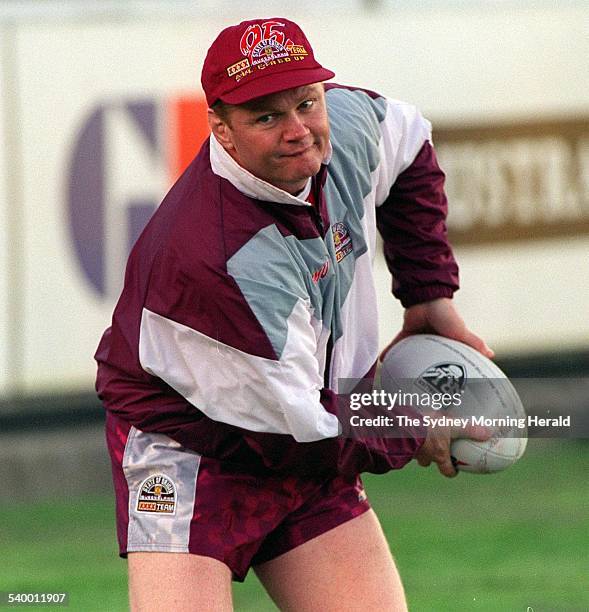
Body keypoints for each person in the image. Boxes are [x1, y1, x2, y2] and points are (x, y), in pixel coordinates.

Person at [95, 17, 493, 611]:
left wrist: (428, 298)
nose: (298, 130)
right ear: (221, 130)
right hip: (186, 450)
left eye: (306, 102)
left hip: (305, 423)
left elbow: (410, 147)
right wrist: (415, 423)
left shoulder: (348, 129)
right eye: (265, 116)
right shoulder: (216, 259)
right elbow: (303, 429)